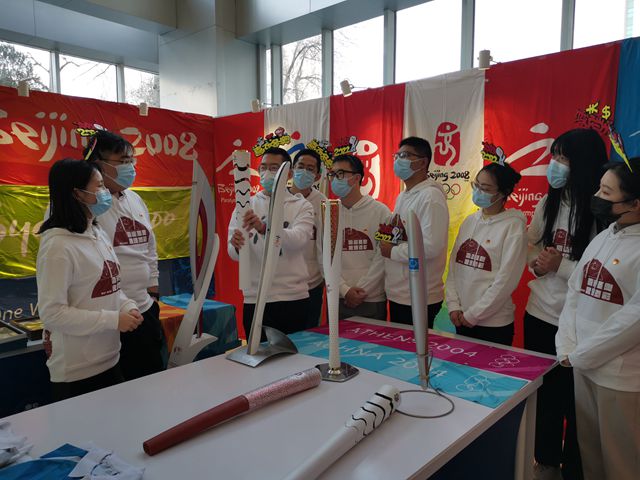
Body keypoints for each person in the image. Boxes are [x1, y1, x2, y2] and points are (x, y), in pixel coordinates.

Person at [525, 128, 607, 480]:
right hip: (540, 314)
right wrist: (536, 263)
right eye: (554, 157)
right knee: (545, 398)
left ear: (583, 164)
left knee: (577, 404)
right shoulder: (550, 202)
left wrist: (561, 266)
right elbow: (531, 244)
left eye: (563, 158)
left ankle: (575, 467)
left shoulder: (602, 211)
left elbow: (601, 277)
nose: (555, 166)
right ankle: (545, 461)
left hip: (579, 326)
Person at [556, 157, 640, 480]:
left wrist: (581, 354)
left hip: (619, 377)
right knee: (590, 455)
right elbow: (574, 292)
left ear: (634, 203)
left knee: (622, 464)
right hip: (582, 366)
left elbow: (633, 321)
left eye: (606, 193)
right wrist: (567, 346)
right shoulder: (605, 236)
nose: (597, 197)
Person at [37, 158, 143, 401]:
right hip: (78, 372)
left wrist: (127, 305)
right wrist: (113, 320)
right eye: (99, 186)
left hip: (111, 358)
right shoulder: (57, 247)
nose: (106, 192)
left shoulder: (96, 232)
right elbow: (52, 313)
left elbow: (110, 284)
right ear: (77, 193)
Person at [84, 130, 165, 381]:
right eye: (122, 161)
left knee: (151, 380)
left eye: (131, 160)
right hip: (110, 317)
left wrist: (153, 290)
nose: (129, 167)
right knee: (117, 388)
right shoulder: (85, 205)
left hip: (144, 308)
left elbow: (150, 246)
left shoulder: (135, 199)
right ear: (98, 164)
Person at [229, 147, 314, 338]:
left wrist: (264, 228)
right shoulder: (245, 205)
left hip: (292, 297)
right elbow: (233, 253)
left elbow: (298, 240)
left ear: (288, 174)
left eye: (274, 168)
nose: (267, 173)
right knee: (257, 352)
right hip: (255, 296)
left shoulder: (301, 205)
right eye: (263, 167)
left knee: (292, 353)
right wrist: (236, 245)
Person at [446, 161, 526, 346]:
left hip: (493, 325)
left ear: (503, 192)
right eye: (476, 185)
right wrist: (453, 305)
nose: (479, 191)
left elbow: (505, 281)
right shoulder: (469, 221)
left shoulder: (513, 226)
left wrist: (474, 314)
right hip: (461, 317)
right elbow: (454, 268)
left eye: (486, 188)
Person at [381, 136, 449, 328]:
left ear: (422, 162)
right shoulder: (404, 195)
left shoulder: (431, 197)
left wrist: (392, 251)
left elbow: (431, 246)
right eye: (397, 155)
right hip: (400, 291)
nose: (398, 160)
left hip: (419, 293)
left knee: (416, 345)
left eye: (405, 155)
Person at [328, 154, 391, 320]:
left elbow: (383, 256)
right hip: (338, 297)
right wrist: (344, 290)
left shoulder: (380, 211)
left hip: (372, 298)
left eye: (340, 174)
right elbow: (323, 255)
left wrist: (363, 290)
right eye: (332, 174)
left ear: (356, 178)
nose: (334, 179)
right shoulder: (329, 212)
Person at [289, 148, 326, 329]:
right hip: (282, 285)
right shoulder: (278, 198)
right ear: (292, 170)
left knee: (308, 335)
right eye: (300, 166)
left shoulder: (324, 203)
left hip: (312, 285)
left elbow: (327, 244)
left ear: (317, 176)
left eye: (310, 169)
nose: (304, 171)